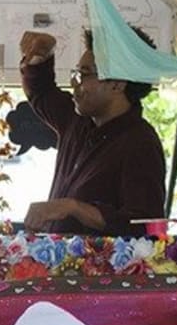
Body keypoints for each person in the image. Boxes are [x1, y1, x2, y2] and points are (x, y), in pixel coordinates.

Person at [20, 29, 166, 236]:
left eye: (84, 74)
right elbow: (41, 92)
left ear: (117, 84)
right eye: (76, 73)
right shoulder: (78, 120)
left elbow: (143, 225)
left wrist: (74, 207)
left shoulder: (140, 143)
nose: (74, 82)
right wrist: (40, 56)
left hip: (103, 268)